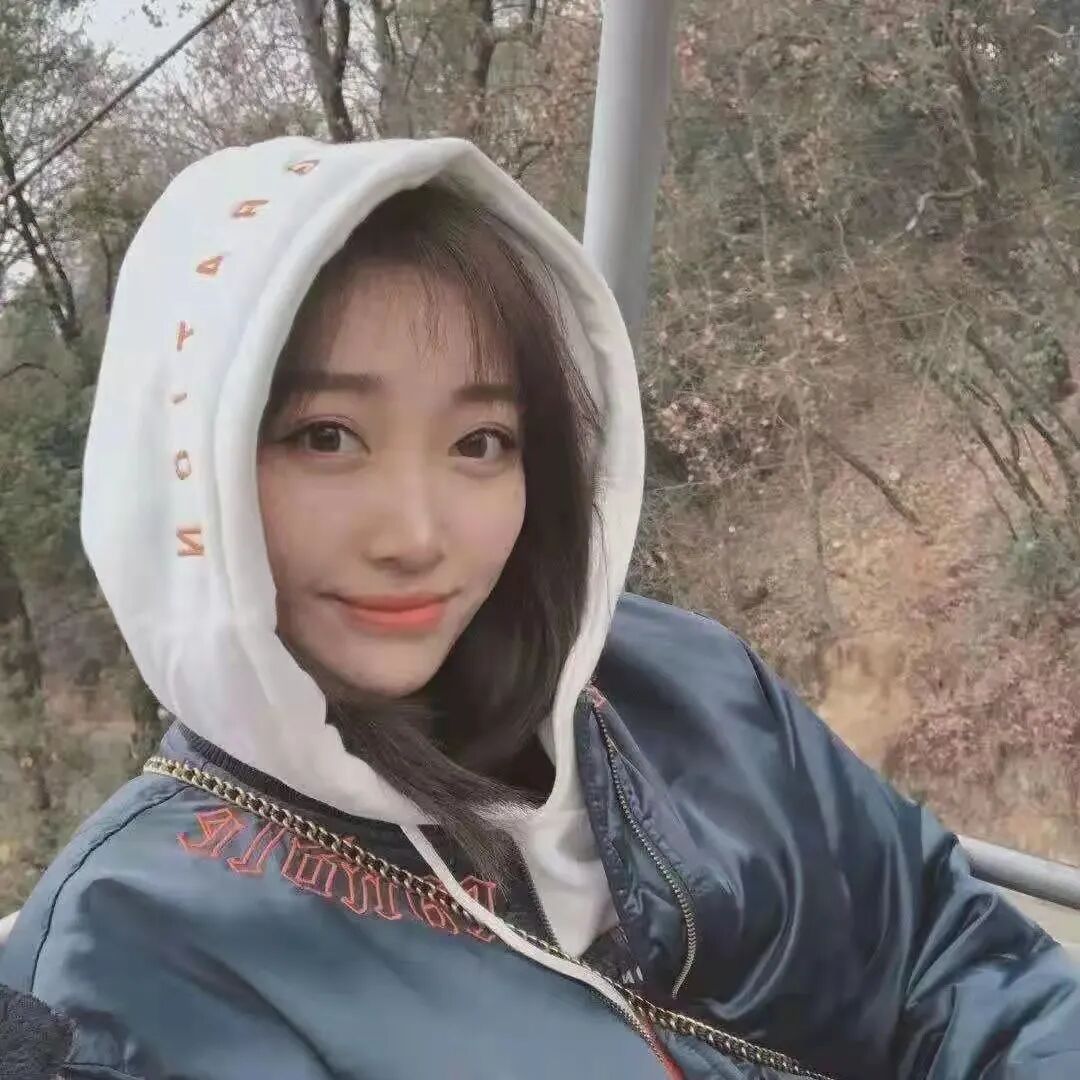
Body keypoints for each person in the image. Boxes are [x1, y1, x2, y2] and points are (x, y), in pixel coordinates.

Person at [0, 136, 1077, 1080]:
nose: (417, 534)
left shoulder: (686, 681)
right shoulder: (122, 963)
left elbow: (954, 962)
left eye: (480, 443)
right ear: (188, 469)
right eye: (327, 437)